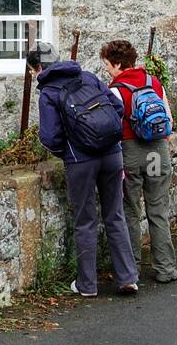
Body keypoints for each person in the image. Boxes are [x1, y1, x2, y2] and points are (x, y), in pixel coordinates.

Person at [29, 42, 139, 297]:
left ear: (39, 67)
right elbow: (118, 108)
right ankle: (127, 278)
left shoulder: (48, 92)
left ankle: (87, 285)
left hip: (80, 161)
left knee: (85, 221)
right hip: (112, 155)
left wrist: (69, 151)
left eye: (33, 70)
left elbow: (49, 136)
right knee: (115, 215)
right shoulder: (88, 77)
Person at [100, 39, 177, 283]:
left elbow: (110, 129)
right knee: (158, 210)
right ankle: (166, 269)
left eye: (107, 65)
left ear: (117, 64)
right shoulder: (154, 83)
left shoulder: (115, 90)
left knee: (130, 211)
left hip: (130, 153)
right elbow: (169, 121)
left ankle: (131, 270)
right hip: (157, 152)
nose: (106, 70)